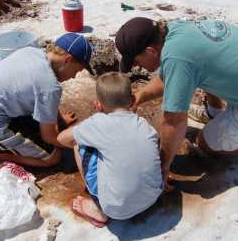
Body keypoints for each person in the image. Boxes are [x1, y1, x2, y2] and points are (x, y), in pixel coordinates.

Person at [115, 17, 238, 189]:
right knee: (204, 68)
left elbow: (174, 123)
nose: (135, 66)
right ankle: (214, 112)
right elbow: (171, 74)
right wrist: (140, 97)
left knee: (207, 145)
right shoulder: (174, 31)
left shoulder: (177, 57)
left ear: (151, 51)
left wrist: (163, 166)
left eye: (135, 61)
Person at [0, 33, 94, 179]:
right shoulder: (49, 86)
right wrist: (77, 142)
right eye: (77, 71)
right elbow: (49, 137)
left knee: (44, 128)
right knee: (53, 157)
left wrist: (58, 121)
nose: (74, 76)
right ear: (68, 60)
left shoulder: (31, 52)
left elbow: (43, 100)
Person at [57, 72, 163, 227]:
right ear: (133, 100)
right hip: (153, 196)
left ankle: (98, 208)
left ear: (98, 105)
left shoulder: (98, 123)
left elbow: (62, 139)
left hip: (116, 209)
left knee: (78, 144)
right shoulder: (144, 125)